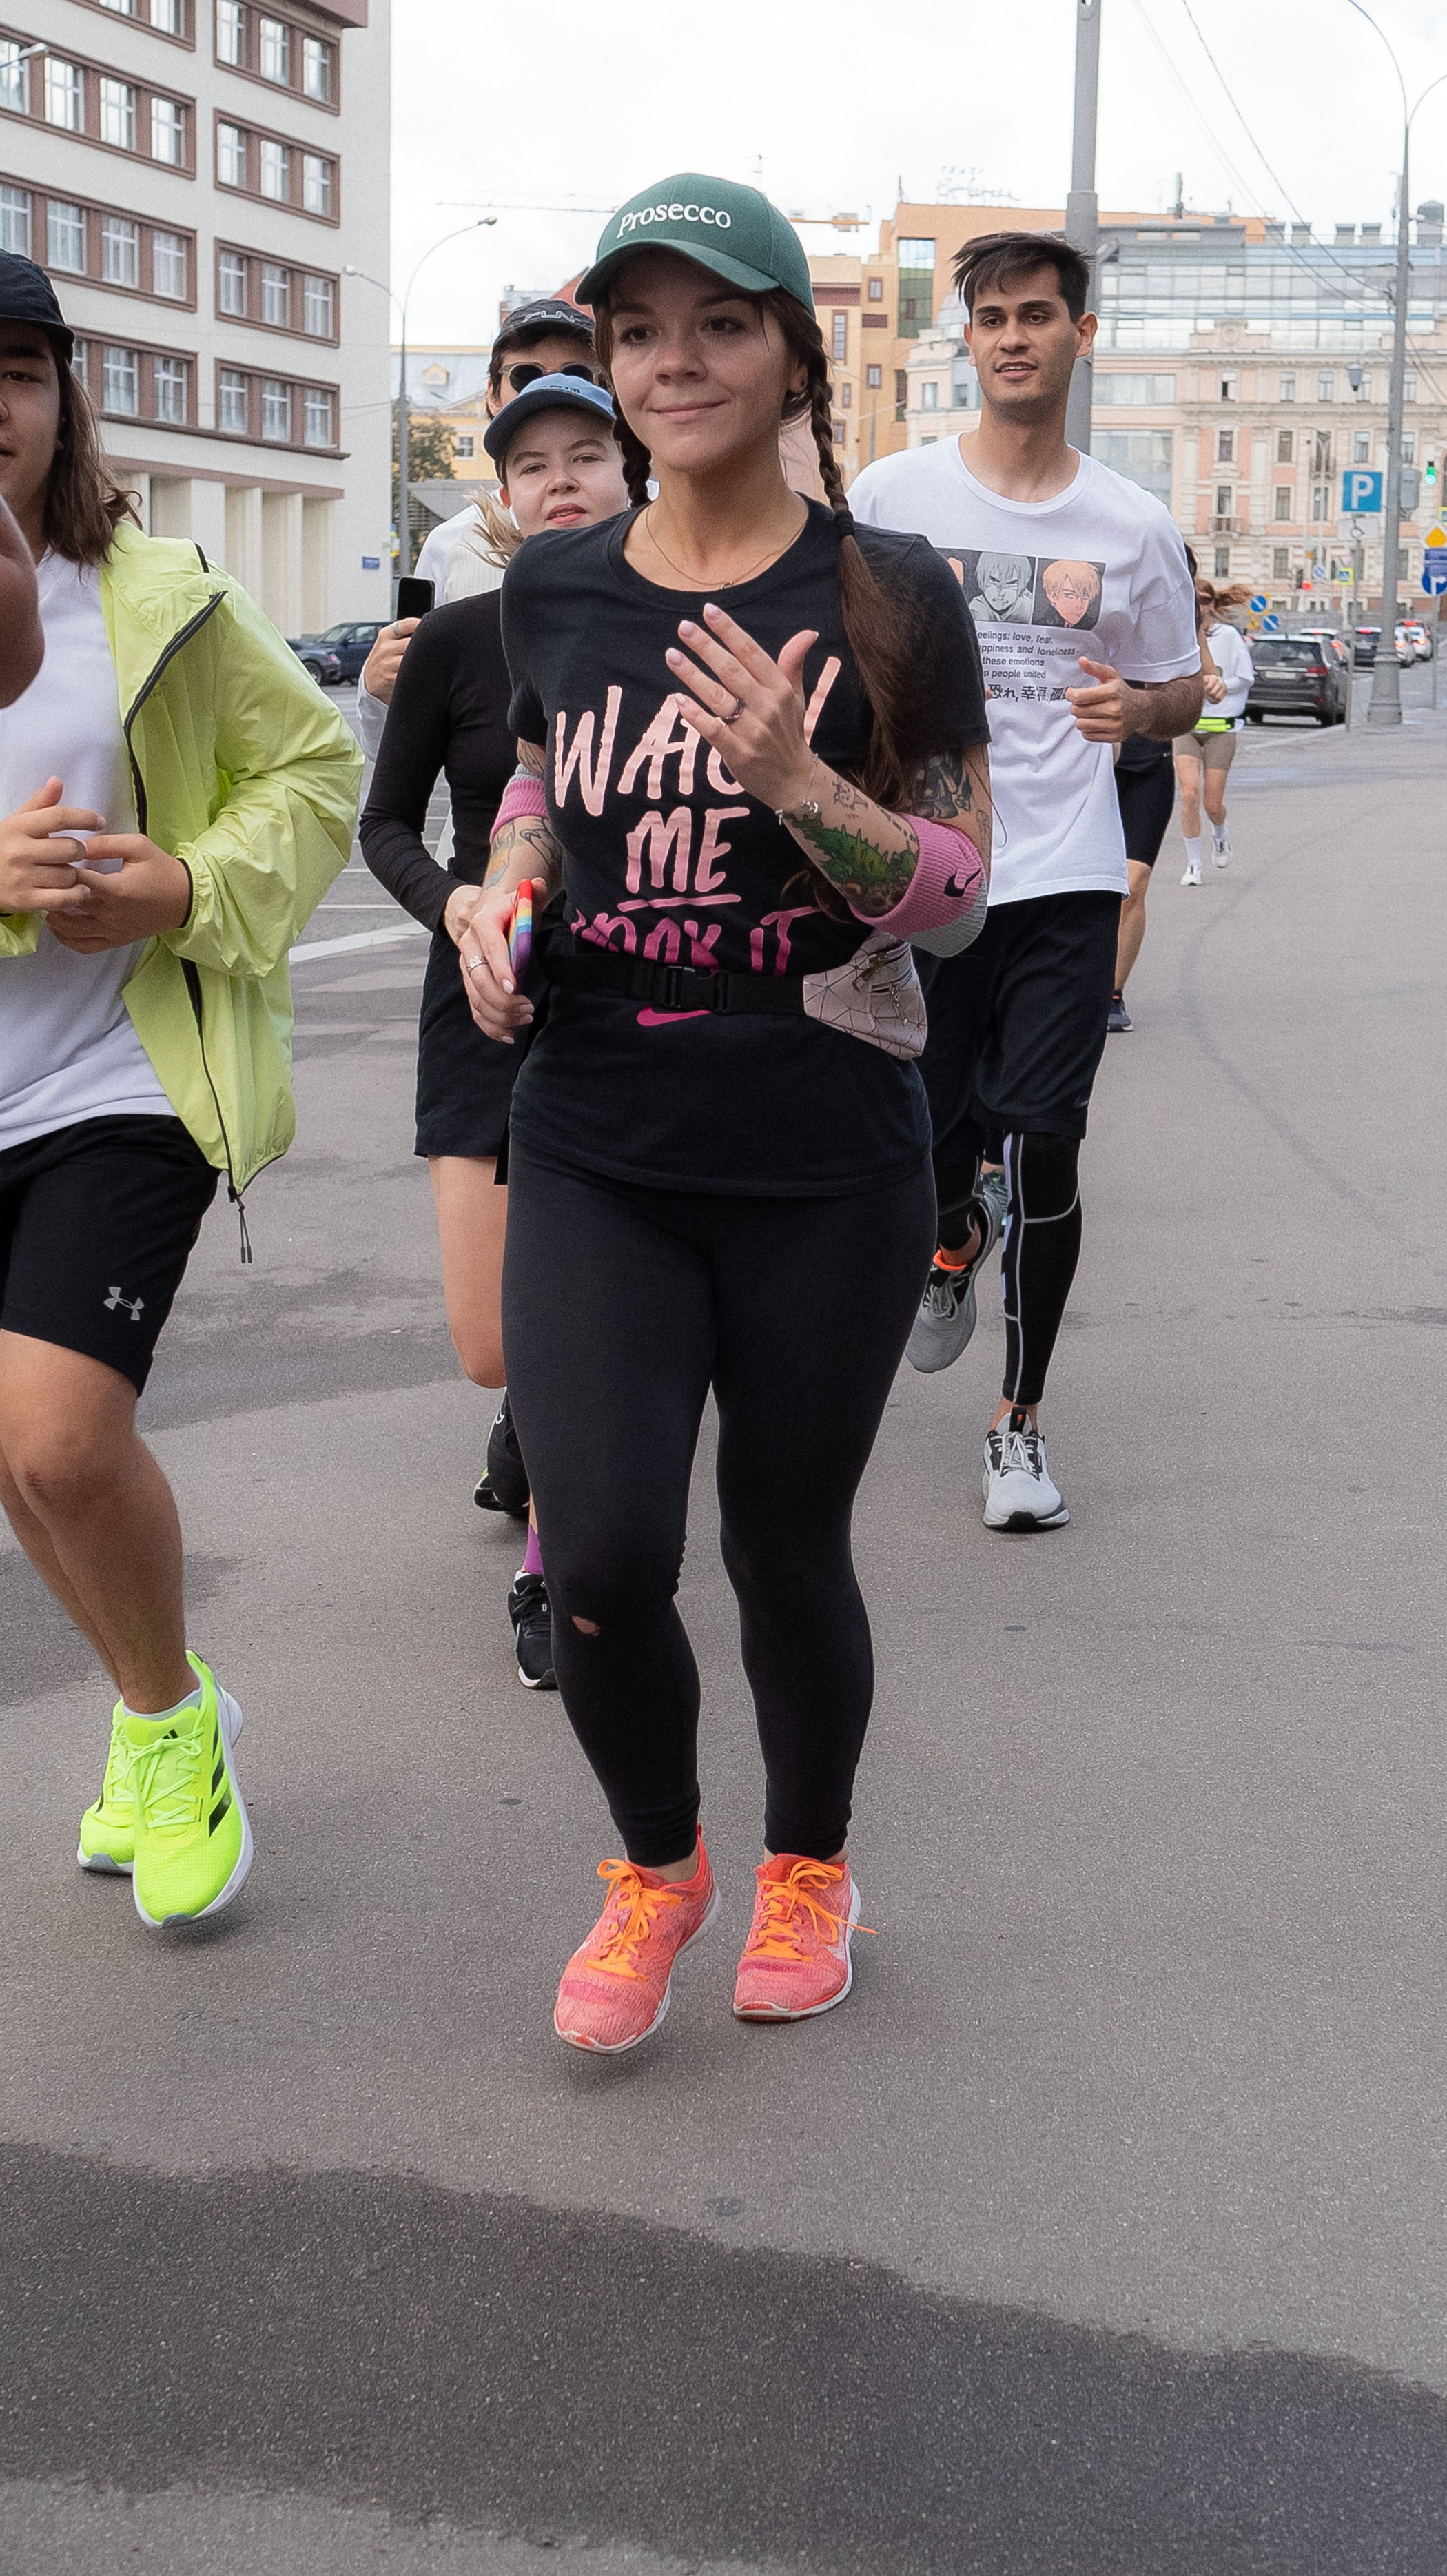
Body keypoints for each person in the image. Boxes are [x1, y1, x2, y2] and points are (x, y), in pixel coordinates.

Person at [456, 174, 992, 2054]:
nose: (672, 363)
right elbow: (542, 790)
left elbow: (957, 887)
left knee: (779, 1540)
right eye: (637, 332)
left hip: (822, 1147)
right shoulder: (555, 585)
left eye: (717, 324)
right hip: (598, 1122)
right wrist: (497, 895)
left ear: (788, 357)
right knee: (597, 1553)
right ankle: (656, 1864)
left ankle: (808, 1865)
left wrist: (800, 785)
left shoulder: (890, 590)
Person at [0, 253, 362, 1927]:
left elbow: (317, 766)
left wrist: (185, 890)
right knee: (15, 1463)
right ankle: (162, 1716)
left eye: (15, 369)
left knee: (67, 1447)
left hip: (116, 1080)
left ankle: (168, 1726)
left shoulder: (158, 597)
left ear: (64, 394)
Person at [851, 230, 1202, 1532]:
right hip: (933, 873)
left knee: (1044, 1131)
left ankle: (1018, 1422)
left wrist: (1141, 704)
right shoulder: (892, 497)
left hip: (1062, 874)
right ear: (969, 341)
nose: (1013, 335)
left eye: (1038, 315)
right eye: (990, 316)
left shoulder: (1132, 524)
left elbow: (1182, 687)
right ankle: (952, 1235)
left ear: (1078, 337)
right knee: (929, 1136)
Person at [359, 376, 631, 1688]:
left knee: (587, 1321)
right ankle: (536, 1420)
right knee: (492, 1344)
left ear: (631, 472)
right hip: (483, 985)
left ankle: (550, 1563)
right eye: (535, 463)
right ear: (504, 497)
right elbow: (384, 824)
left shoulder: (673, 632)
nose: (563, 479)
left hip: (628, 1001)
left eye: (590, 455)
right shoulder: (461, 640)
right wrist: (459, 902)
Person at [356, 299, 603, 763]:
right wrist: (378, 691)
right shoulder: (453, 544)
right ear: (492, 394)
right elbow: (396, 752)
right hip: (479, 829)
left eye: (577, 373)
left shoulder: (667, 523)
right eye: (526, 375)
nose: (550, 387)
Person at [1108, 542, 1207, 1032]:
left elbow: (1198, 677)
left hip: (1148, 762)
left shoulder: (1181, 622)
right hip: (1094, 761)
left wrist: (1214, 684)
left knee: (1133, 884)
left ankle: (1113, 992)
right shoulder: (1105, 602)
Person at [1177, 580, 1252, 885]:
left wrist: (1220, 685)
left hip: (1221, 728)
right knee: (1189, 793)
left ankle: (1220, 833)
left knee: (1211, 803)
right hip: (1187, 727)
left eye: (1205, 600)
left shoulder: (1228, 636)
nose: (1200, 606)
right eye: (1194, 600)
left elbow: (1245, 677)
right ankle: (1193, 864)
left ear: (1213, 604)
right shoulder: (1180, 637)